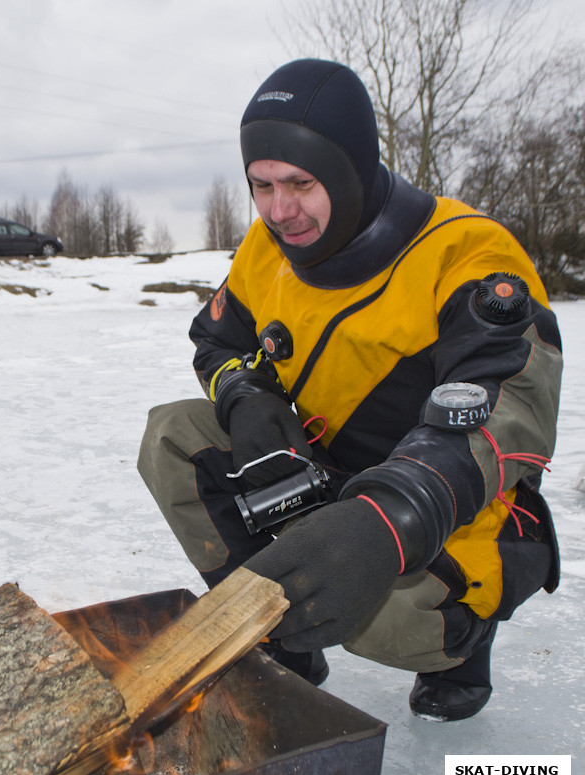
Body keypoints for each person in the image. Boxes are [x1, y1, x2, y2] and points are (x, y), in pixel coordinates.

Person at [138, 59, 562, 722]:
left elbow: (506, 409)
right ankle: (283, 641)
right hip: (326, 473)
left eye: (301, 183)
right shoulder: (265, 246)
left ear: (350, 166)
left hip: (442, 515)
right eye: (262, 185)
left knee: (364, 609)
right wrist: (247, 396)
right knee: (173, 435)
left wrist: (389, 522)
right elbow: (216, 340)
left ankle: (460, 644)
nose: (280, 210)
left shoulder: (467, 254)